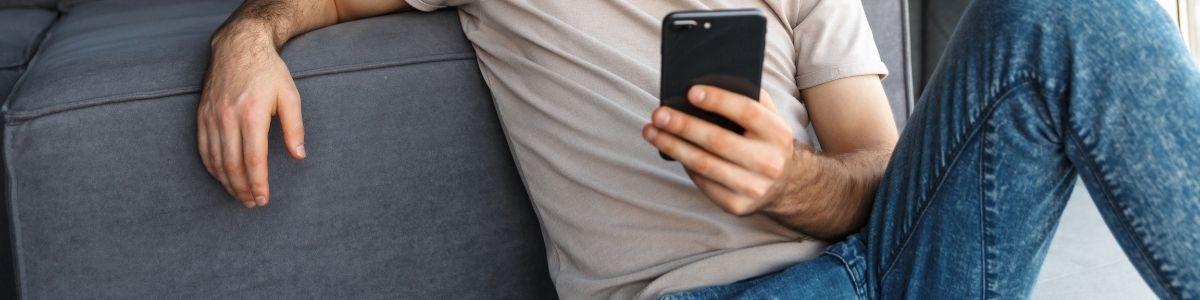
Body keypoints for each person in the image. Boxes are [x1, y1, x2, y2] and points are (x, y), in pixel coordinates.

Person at [197, 0, 1199, 299]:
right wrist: (246, 37)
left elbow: (879, 172)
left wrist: (792, 182)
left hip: (886, 266)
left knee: (1075, 10)